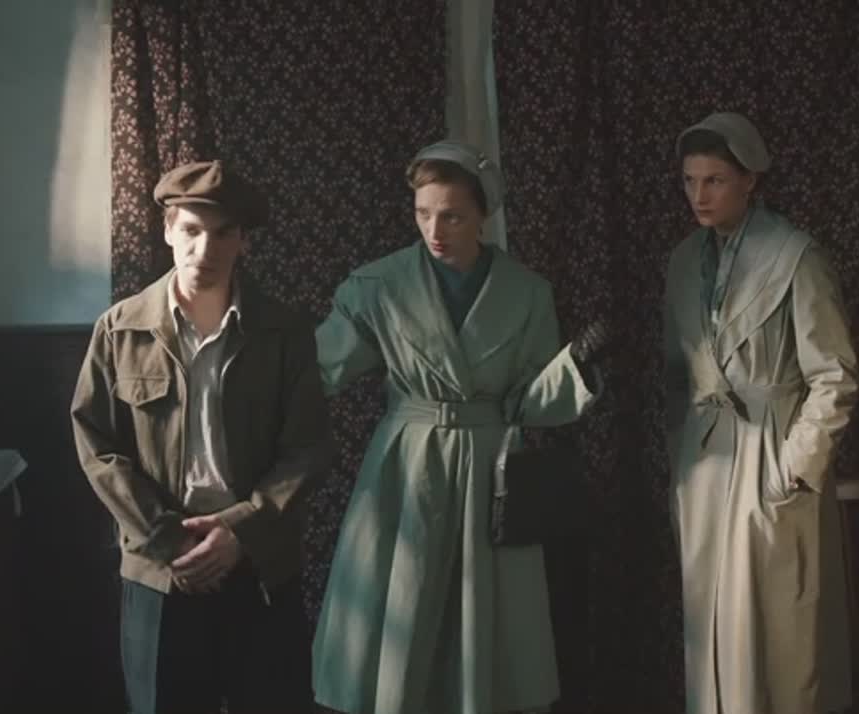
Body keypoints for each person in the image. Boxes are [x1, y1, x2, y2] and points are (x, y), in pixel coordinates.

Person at [310, 140, 612, 714]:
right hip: (407, 468)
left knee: (487, 622)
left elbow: (527, 400)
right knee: (404, 605)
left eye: (451, 216)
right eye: (422, 213)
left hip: (490, 471)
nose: (434, 230)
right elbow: (320, 370)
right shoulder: (378, 286)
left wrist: (573, 366)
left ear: (482, 215)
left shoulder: (527, 293)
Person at [70, 160, 331, 714]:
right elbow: (99, 448)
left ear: (243, 241)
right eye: (191, 230)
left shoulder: (285, 333)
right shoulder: (120, 330)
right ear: (168, 230)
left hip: (258, 565)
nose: (204, 249)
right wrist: (167, 538)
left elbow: (307, 449)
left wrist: (240, 531)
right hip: (162, 568)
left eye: (222, 233)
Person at [663, 112, 858, 714]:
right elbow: (674, 371)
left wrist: (793, 468)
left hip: (772, 452)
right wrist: (680, 459)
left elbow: (835, 375)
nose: (699, 195)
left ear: (750, 180)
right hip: (706, 460)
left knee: (779, 633)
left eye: (715, 180)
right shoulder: (683, 262)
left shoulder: (796, 257)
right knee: (712, 624)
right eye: (690, 180)